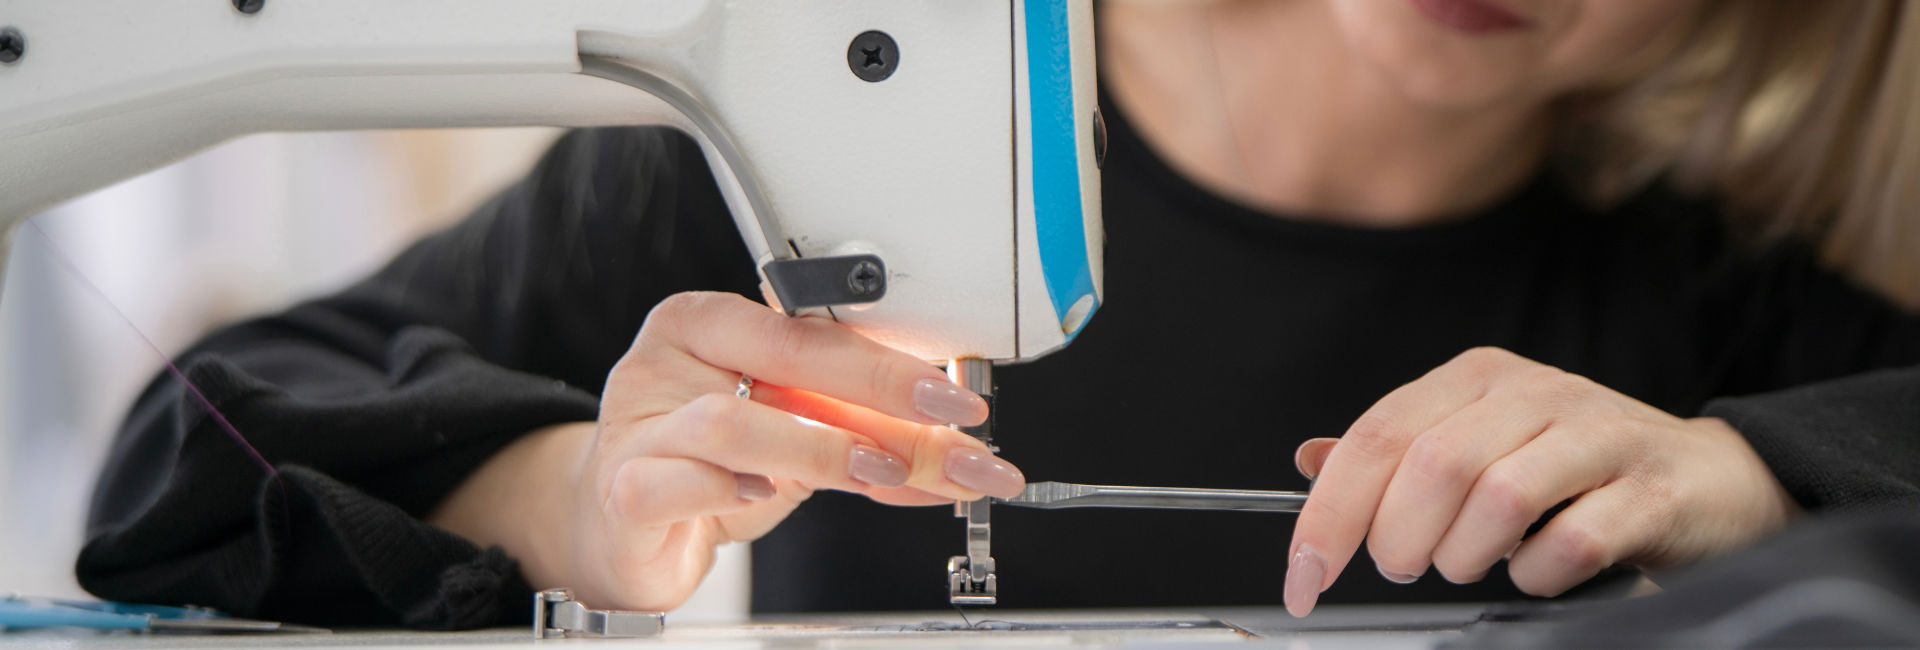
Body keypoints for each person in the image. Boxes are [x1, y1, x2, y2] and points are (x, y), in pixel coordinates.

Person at [77, 0, 1920, 629]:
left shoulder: (1717, 319)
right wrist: (565, 497)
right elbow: (191, 449)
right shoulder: (799, 157)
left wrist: (1751, 473)